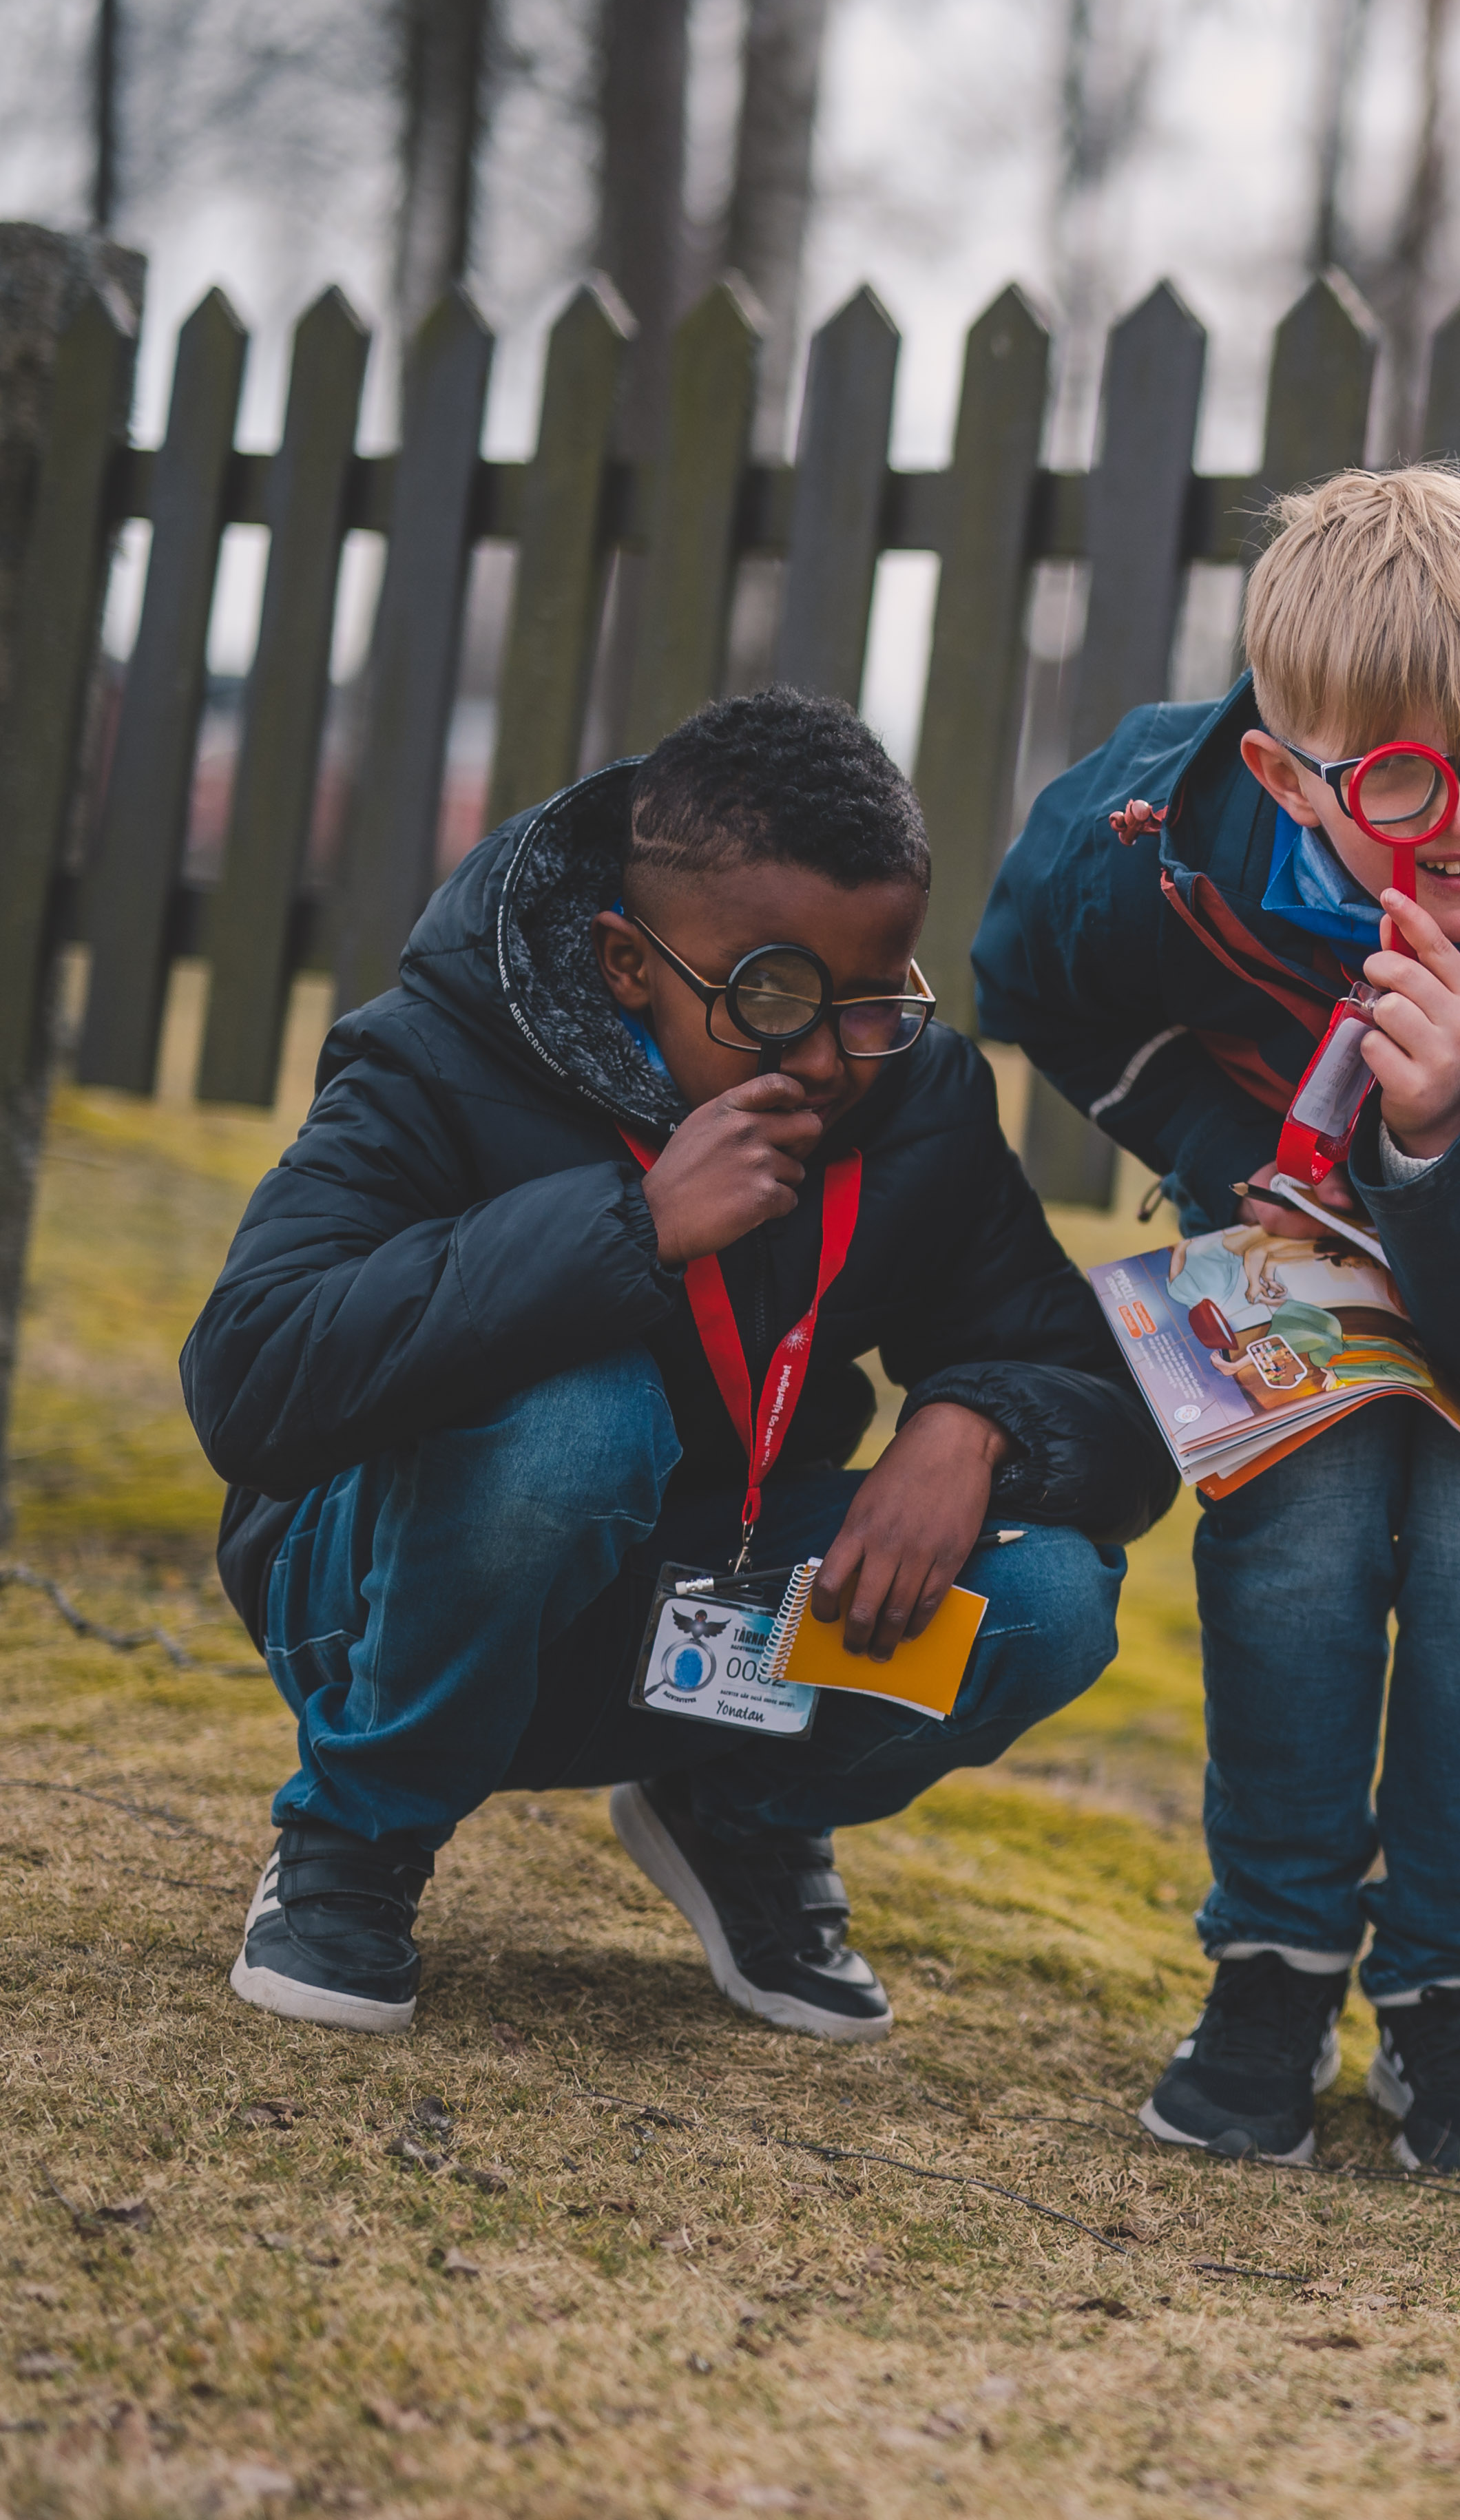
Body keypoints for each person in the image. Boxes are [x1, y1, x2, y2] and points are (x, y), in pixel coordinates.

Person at [182, 689, 1176, 2043]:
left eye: (879, 994)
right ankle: (356, 1837)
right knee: (578, 1423)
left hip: (684, 1625)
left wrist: (975, 1420)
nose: (832, 1055)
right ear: (626, 961)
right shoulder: (438, 1052)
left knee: (1048, 1590)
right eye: (772, 997)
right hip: (379, 1598)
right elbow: (250, 1373)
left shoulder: (918, 1095)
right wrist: (628, 1228)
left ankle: (739, 1811)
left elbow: (1102, 1393)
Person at [975, 466, 1460, 2183]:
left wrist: (1452, 1126)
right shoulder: (1155, 836)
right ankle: (1272, 1971)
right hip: (1285, 1217)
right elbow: (1027, 972)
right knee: (1298, 1532)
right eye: (1394, 778)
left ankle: (1455, 2002)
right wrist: (1221, 1149)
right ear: (1281, 767)